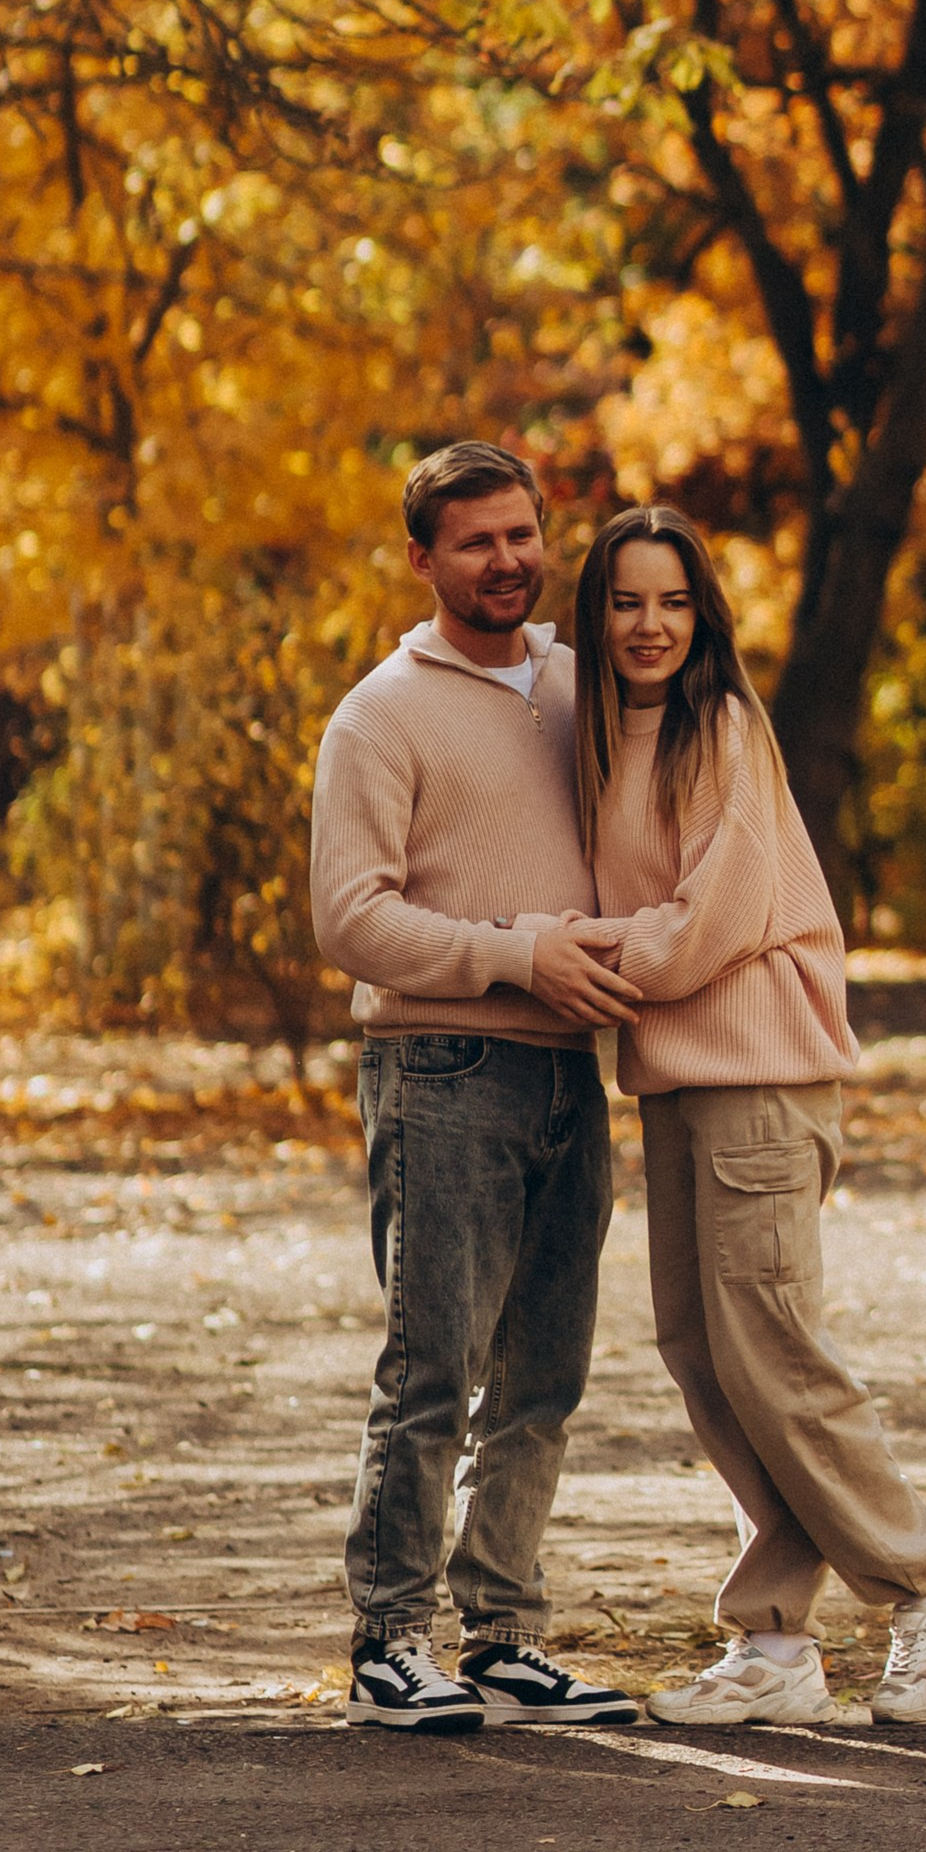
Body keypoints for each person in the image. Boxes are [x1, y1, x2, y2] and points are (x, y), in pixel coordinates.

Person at [570, 500, 926, 1727]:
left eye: (673, 600)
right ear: (595, 615)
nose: (650, 624)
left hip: (756, 1071)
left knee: (776, 1352)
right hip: (674, 1078)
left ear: (702, 615)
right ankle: (775, 1645)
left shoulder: (723, 726)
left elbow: (715, 915)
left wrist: (586, 959)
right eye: (625, 600)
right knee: (705, 1354)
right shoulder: (605, 734)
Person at [310, 438, 645, 1733]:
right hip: (439, 1065)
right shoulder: (381, 714)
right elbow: (351, 921)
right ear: (422, 560)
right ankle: (390, 1639)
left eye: (521, 535)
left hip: (573, 1063)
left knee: (546, 1371)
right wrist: (518, 957)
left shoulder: (580, 681)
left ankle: (504, 1632)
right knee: (432, 1366)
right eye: (474, 542)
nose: (505, 560)